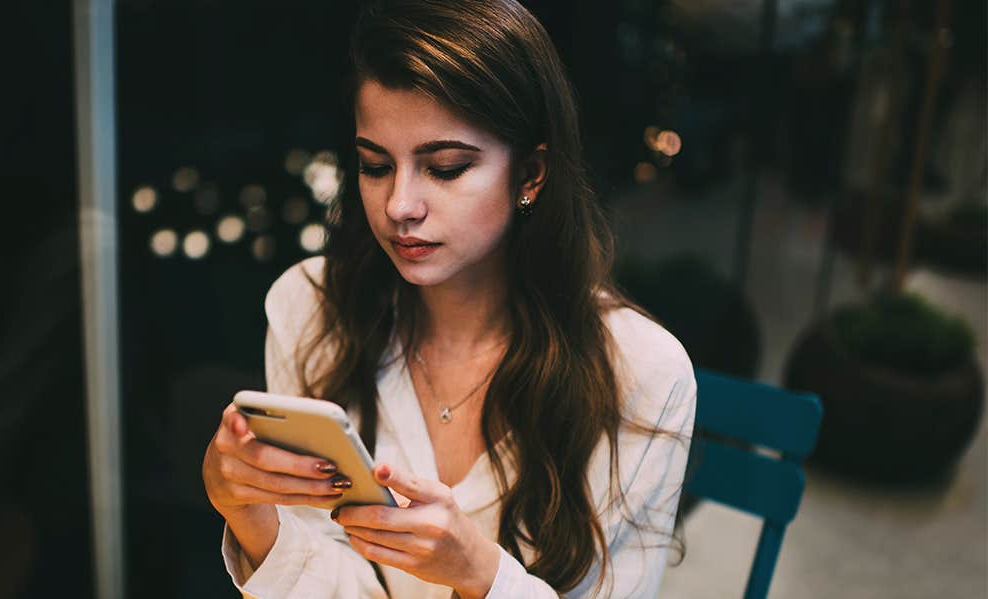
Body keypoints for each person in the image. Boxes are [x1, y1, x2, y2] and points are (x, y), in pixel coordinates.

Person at [202, 1, 696, 597]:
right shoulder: (311, 307)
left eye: (445, 168)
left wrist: (478, 575)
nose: (399, 206)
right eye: (374, 165)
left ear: (531, 174)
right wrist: (249, 514)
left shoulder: (641, 374)